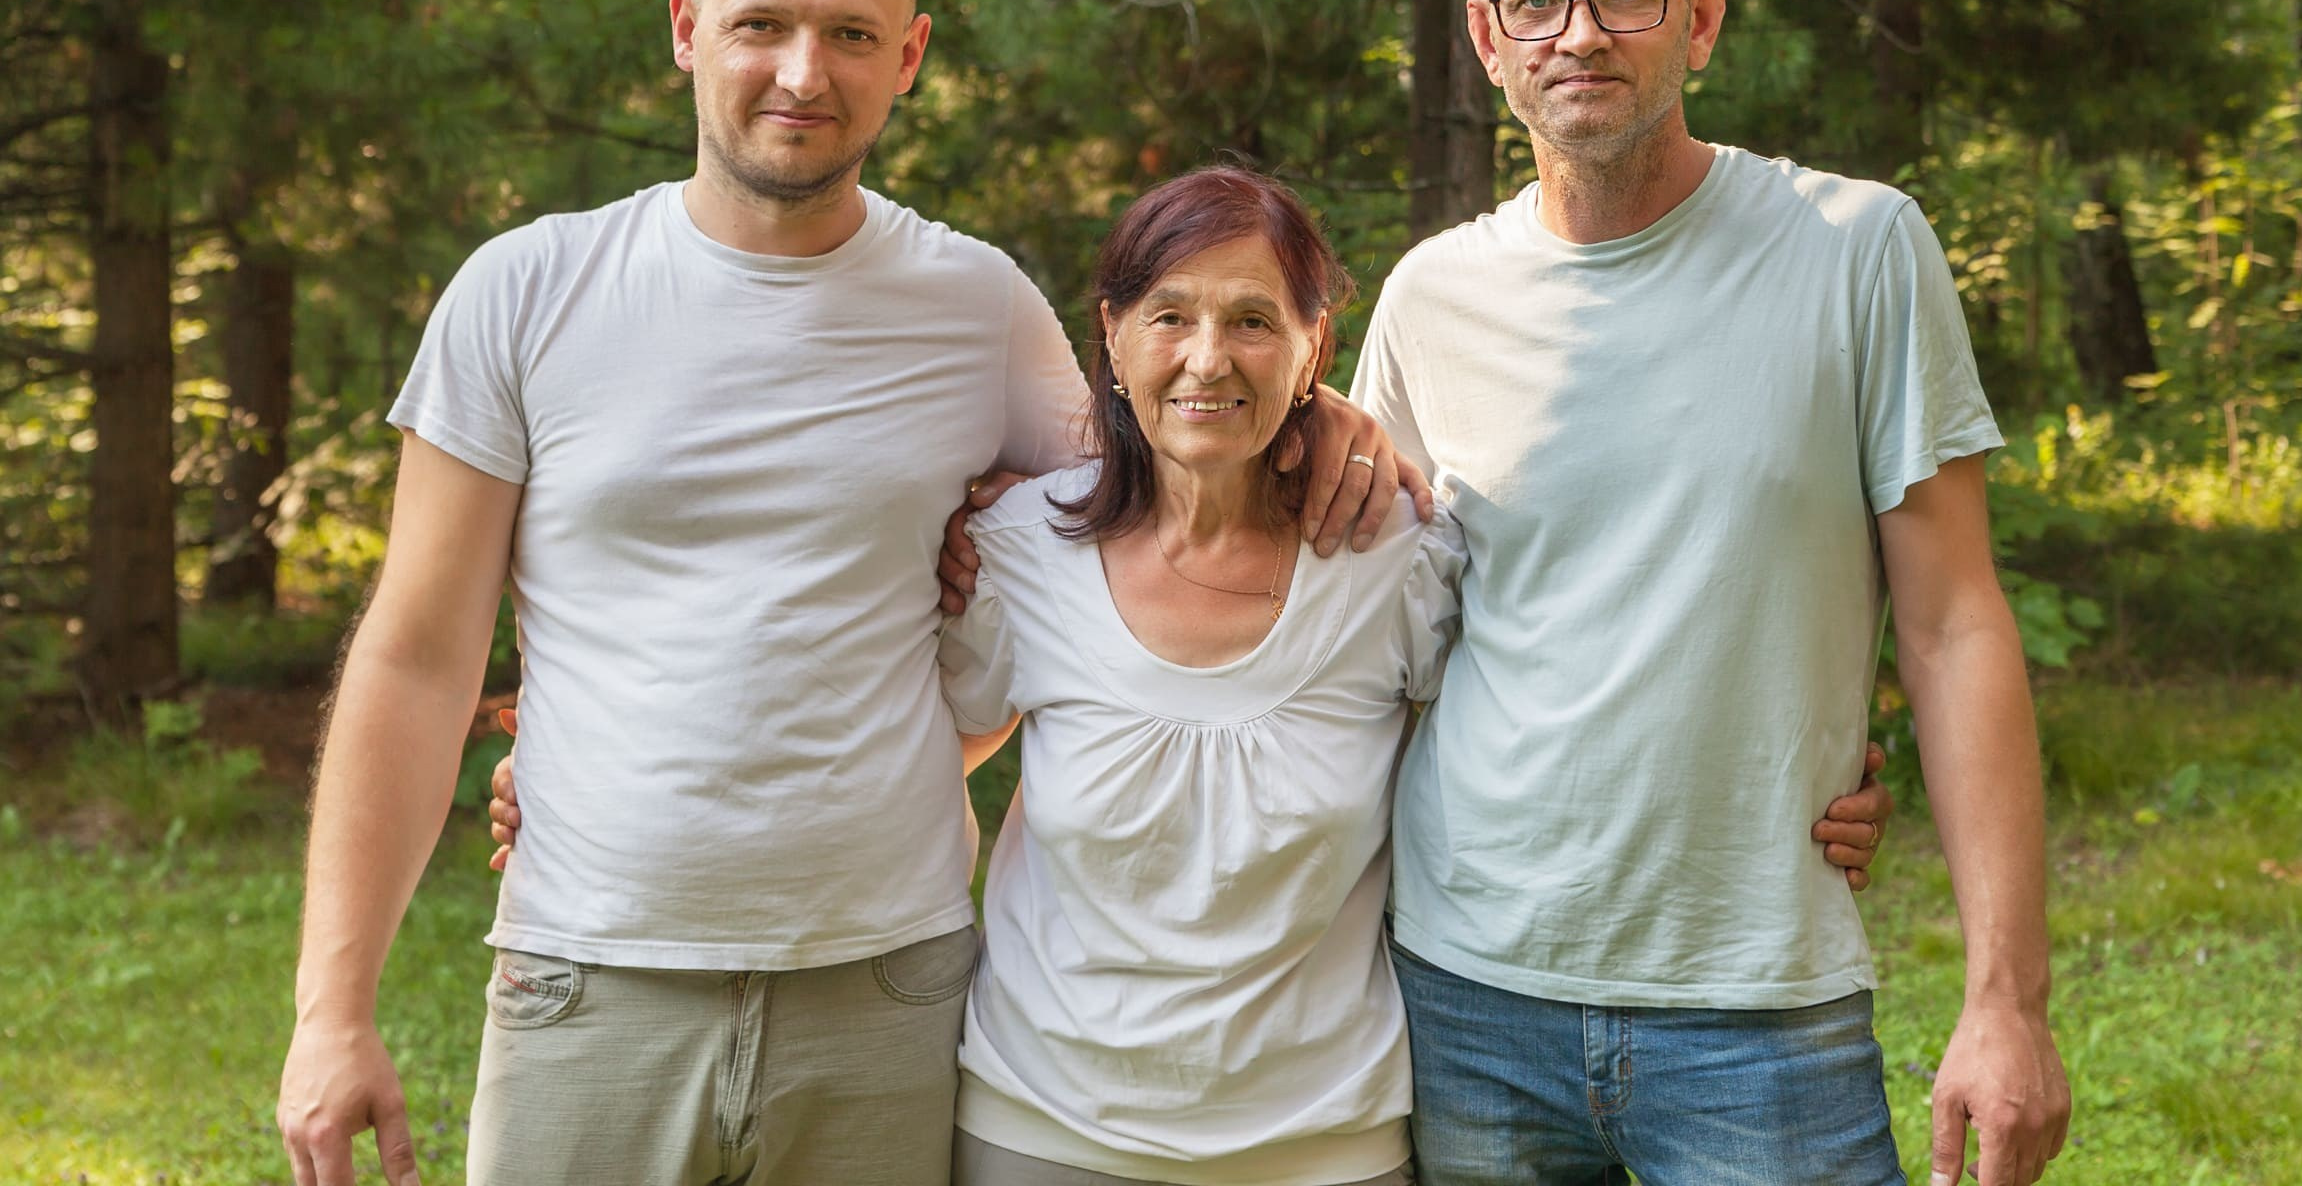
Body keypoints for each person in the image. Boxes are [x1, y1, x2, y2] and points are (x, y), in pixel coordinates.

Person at [274, 0, 1417, 1186]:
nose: (802, 71)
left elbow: (1163, 491)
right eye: (762, 24)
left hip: (887, 993)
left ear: (910, 57)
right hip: (592, 977)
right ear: (686, 28)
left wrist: (1322, 422)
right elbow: (415, 658)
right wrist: (332, 1012)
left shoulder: (975, 307)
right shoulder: (527, 293)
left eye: (853, 34)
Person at [492, 166, 1895, 1185]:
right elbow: (886, 725)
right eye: (1169, 316)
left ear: (1313, 350)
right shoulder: (1017, 552)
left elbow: (1562, 696)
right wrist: (578, 774)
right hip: (1042, 1128)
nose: (1207, 359)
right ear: (1108, 335)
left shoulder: (1393, 561)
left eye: (1251, 321)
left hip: (1325, 1141)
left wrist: (1814, 760)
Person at [1349, 0, 2073, 1186]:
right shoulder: (1432, 299)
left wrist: (2006, 1000)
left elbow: (1957, 623)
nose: (1580, 33)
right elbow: (1368, 645)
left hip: (1760, 1008)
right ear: (1485, 38)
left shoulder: (1856, 250)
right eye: (1540, 2)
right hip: (1466, 1001)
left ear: (1704, 17)